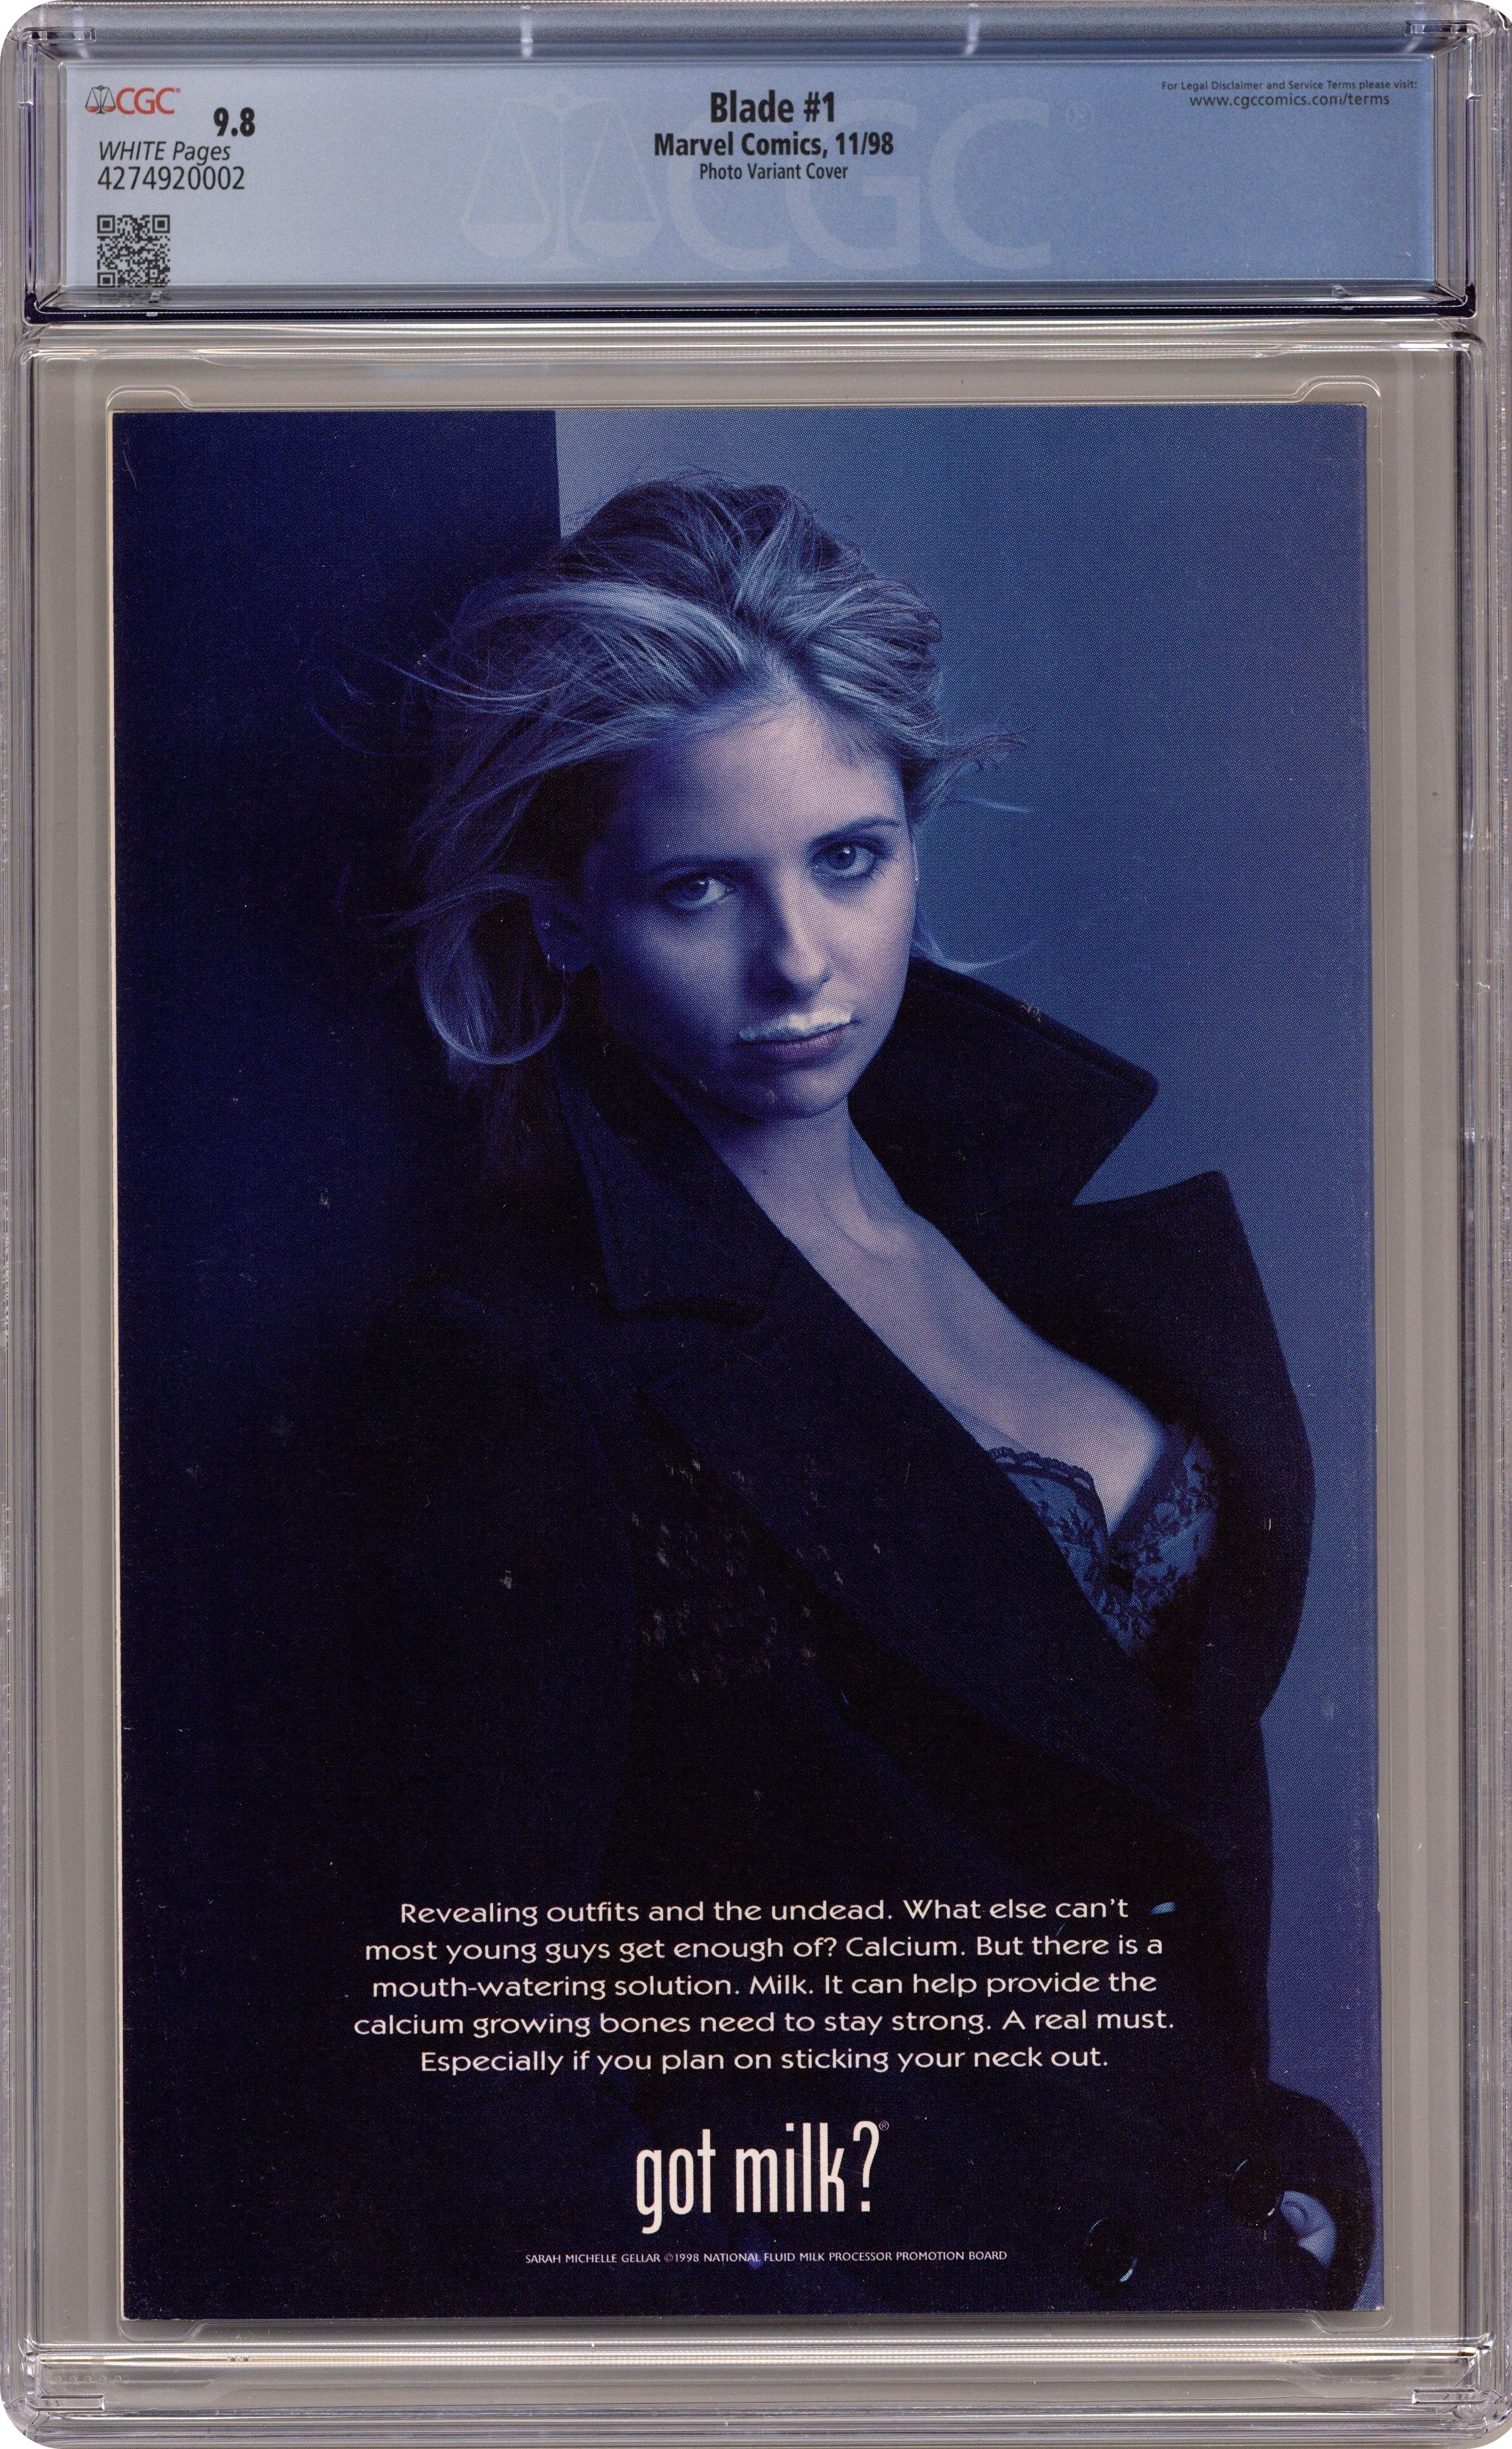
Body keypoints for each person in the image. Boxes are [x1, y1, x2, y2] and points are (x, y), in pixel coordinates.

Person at [287, 473, 1369, 2317]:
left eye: (849, 858)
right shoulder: (521, 1371)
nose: (799, 963)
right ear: (564, 919)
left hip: (1222, 2303)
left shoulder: (1026, 1226)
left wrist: (1286, 2183)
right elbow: (478, 2087)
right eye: (699, 888)